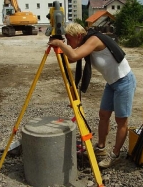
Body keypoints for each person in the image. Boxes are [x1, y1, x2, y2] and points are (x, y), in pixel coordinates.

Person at [47, 23, 136, 168]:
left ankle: (115, 154)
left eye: (69, 39)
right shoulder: (85, 42)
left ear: (79, 36)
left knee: (121, 120)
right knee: (103, 115)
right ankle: (101, 148)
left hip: (124, 81)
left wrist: (59, 43)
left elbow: (74, 56)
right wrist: (60, 47)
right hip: (112, 83)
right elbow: (70, 58)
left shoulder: (93, 40)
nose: (69, 43)